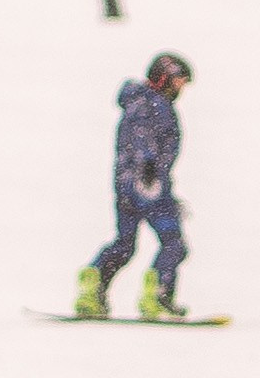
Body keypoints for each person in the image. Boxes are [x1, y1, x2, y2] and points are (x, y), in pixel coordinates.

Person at [73, 52, 194, 320]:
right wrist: (149, 168)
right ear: (163, 78)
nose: (180, 90)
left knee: (125, 244)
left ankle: (92, 286)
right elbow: (141, 138)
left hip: (128, 185)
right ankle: (158, 297)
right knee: (173, 243)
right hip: (147, 185)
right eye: (178, 82)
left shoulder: (138, 102)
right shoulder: (151, 105)